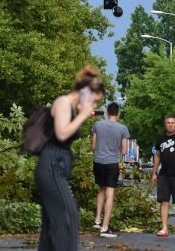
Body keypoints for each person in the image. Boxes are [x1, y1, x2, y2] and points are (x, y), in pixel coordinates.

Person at [35, 66, 105, 251]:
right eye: (94, 100)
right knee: (68, 215)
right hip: (51, 165)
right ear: (85, 91)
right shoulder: (63, 102)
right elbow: (62, 133)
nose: (94, 105)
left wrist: (80, 113)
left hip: (56, 166)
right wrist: (82, 115)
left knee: (52, 222)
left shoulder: (70, 107)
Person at [92, 102, 130, 237]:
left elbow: (93, 146)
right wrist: (117, 147)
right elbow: (124, 151)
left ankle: (97, 220)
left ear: (107, 113)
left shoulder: (97, 125)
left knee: (101, 189)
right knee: (110, 192)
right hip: (112, 163)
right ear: (118, 113)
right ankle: (105, 227)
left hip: (98, 161)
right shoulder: (122, 128)